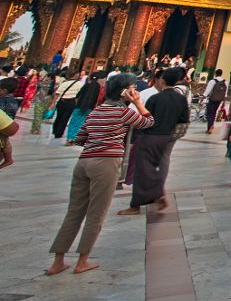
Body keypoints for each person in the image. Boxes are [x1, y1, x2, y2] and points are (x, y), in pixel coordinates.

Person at [47, 73, 153, 276]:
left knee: (73, 212)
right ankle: (82, 261)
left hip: (84, 162)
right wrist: (138, 103)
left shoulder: (97, 111)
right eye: (133, 88)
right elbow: (148, 122)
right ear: (125, 92)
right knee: (96, 213)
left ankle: (57, 261)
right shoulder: (123, 113)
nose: (136, 91)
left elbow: (81, 138)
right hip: (106, 163)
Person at [120, 66, 187, 215]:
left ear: (162, 80)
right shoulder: (181, 98)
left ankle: (138, 205)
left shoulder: (156, 98)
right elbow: (184, 119)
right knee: (159, 164)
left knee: (142, 169)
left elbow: (146, 118)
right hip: (168, 137)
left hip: (151, 136)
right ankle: (157, 193)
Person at [51, 69, 84, 140]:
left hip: (61, 102)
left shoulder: (64, 83)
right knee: (65, 118)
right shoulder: (80, 84)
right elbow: (80, 95)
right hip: (71, 102)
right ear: (76, 75)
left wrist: (53, 103)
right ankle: (59, 133)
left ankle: (55, 130)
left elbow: (57, 94)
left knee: (58, 116)